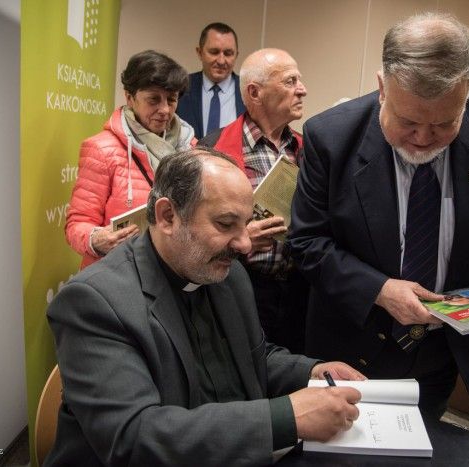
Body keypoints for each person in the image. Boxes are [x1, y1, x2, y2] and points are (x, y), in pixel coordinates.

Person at [288, 12, 469, 418]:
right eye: (408, 121)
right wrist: (380, 289)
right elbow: (307, 242)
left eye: (445, 123)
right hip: (349, 349)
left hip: (441, 352)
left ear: (467, 94)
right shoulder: (330, 136)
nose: (424, 139)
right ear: (382, 87)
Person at [46, 148, 364, 466]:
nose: (244, 244)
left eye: (246, 224)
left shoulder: (227, 274)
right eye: (225, 224)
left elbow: (252, 358)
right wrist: (285, 418)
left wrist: (311, 372)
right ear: (167, 216)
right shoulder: (94, 302)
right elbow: (135, 438)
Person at [200, 48, 309, 353]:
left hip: (297, 295)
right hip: (237, 289)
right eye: (290, 81)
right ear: (254, 92)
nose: (302, 89)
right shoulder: (211, 149)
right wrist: (240, 238)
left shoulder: (307, 148)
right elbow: (193, 232)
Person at [66, 50, 196, 269]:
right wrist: (97, 239)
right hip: (118, 271)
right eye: (154, 99)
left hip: (171, 270)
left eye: (172, 99)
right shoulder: (101, 149)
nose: (165, 110)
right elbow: (77, 224)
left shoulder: (189, 147)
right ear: (129, 97)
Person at [176, 22, 246, 138]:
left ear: (236, 55)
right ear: (200, 53)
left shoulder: (249, 92)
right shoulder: (180, 87)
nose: (221, 61)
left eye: (228, 54)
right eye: (214, 52)